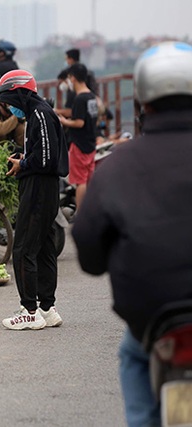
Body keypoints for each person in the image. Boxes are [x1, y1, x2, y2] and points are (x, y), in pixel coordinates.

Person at [72, 40, 192, 427]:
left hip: (151, 320)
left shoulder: (117, 167)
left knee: (133, 356)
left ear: (142, 102)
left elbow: (88, 251)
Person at [0, 69, 68, 331]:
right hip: (43, 186)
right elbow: (40, 152)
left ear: (20, 93)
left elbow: (46, 159)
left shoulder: (39, 113)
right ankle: (47, 308)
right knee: (44, 246)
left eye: (10, 101)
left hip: (39, 187)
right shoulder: (37, 114)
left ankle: (29, 310)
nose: (10, 108)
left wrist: (22, 163)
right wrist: (22, 159)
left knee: (23, 247)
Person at [58, 63, 99, 209]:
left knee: (80, 181)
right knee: (88, 178)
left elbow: (79, 122)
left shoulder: (80, 99)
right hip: (90, 142)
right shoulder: (91, 96)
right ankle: (91, 209)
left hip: (79, 144)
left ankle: (81, 212)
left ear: (73, 78)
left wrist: (64, 121)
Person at [55, 48, 98, 118]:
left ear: (73, 78)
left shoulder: (76, 95)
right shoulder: (87, 71)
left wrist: (56, 112)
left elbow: (76, 119)